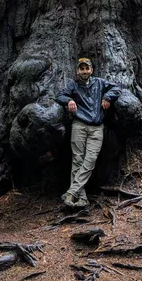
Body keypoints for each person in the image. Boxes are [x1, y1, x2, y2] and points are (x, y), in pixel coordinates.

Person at [56, 57, 120, 208]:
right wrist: (69, 101)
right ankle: (81, 198)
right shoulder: (73, 85)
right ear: (78, 71)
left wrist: (107, 96)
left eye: (87, 68)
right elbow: (59, 95)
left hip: (97, 128)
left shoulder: (100, 82)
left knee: (90, 160)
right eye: (81, 68)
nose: (84, 71)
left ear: (91, 70)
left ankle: (71, 193)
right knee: (77, 160)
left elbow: (116, 88)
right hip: (79, 125)